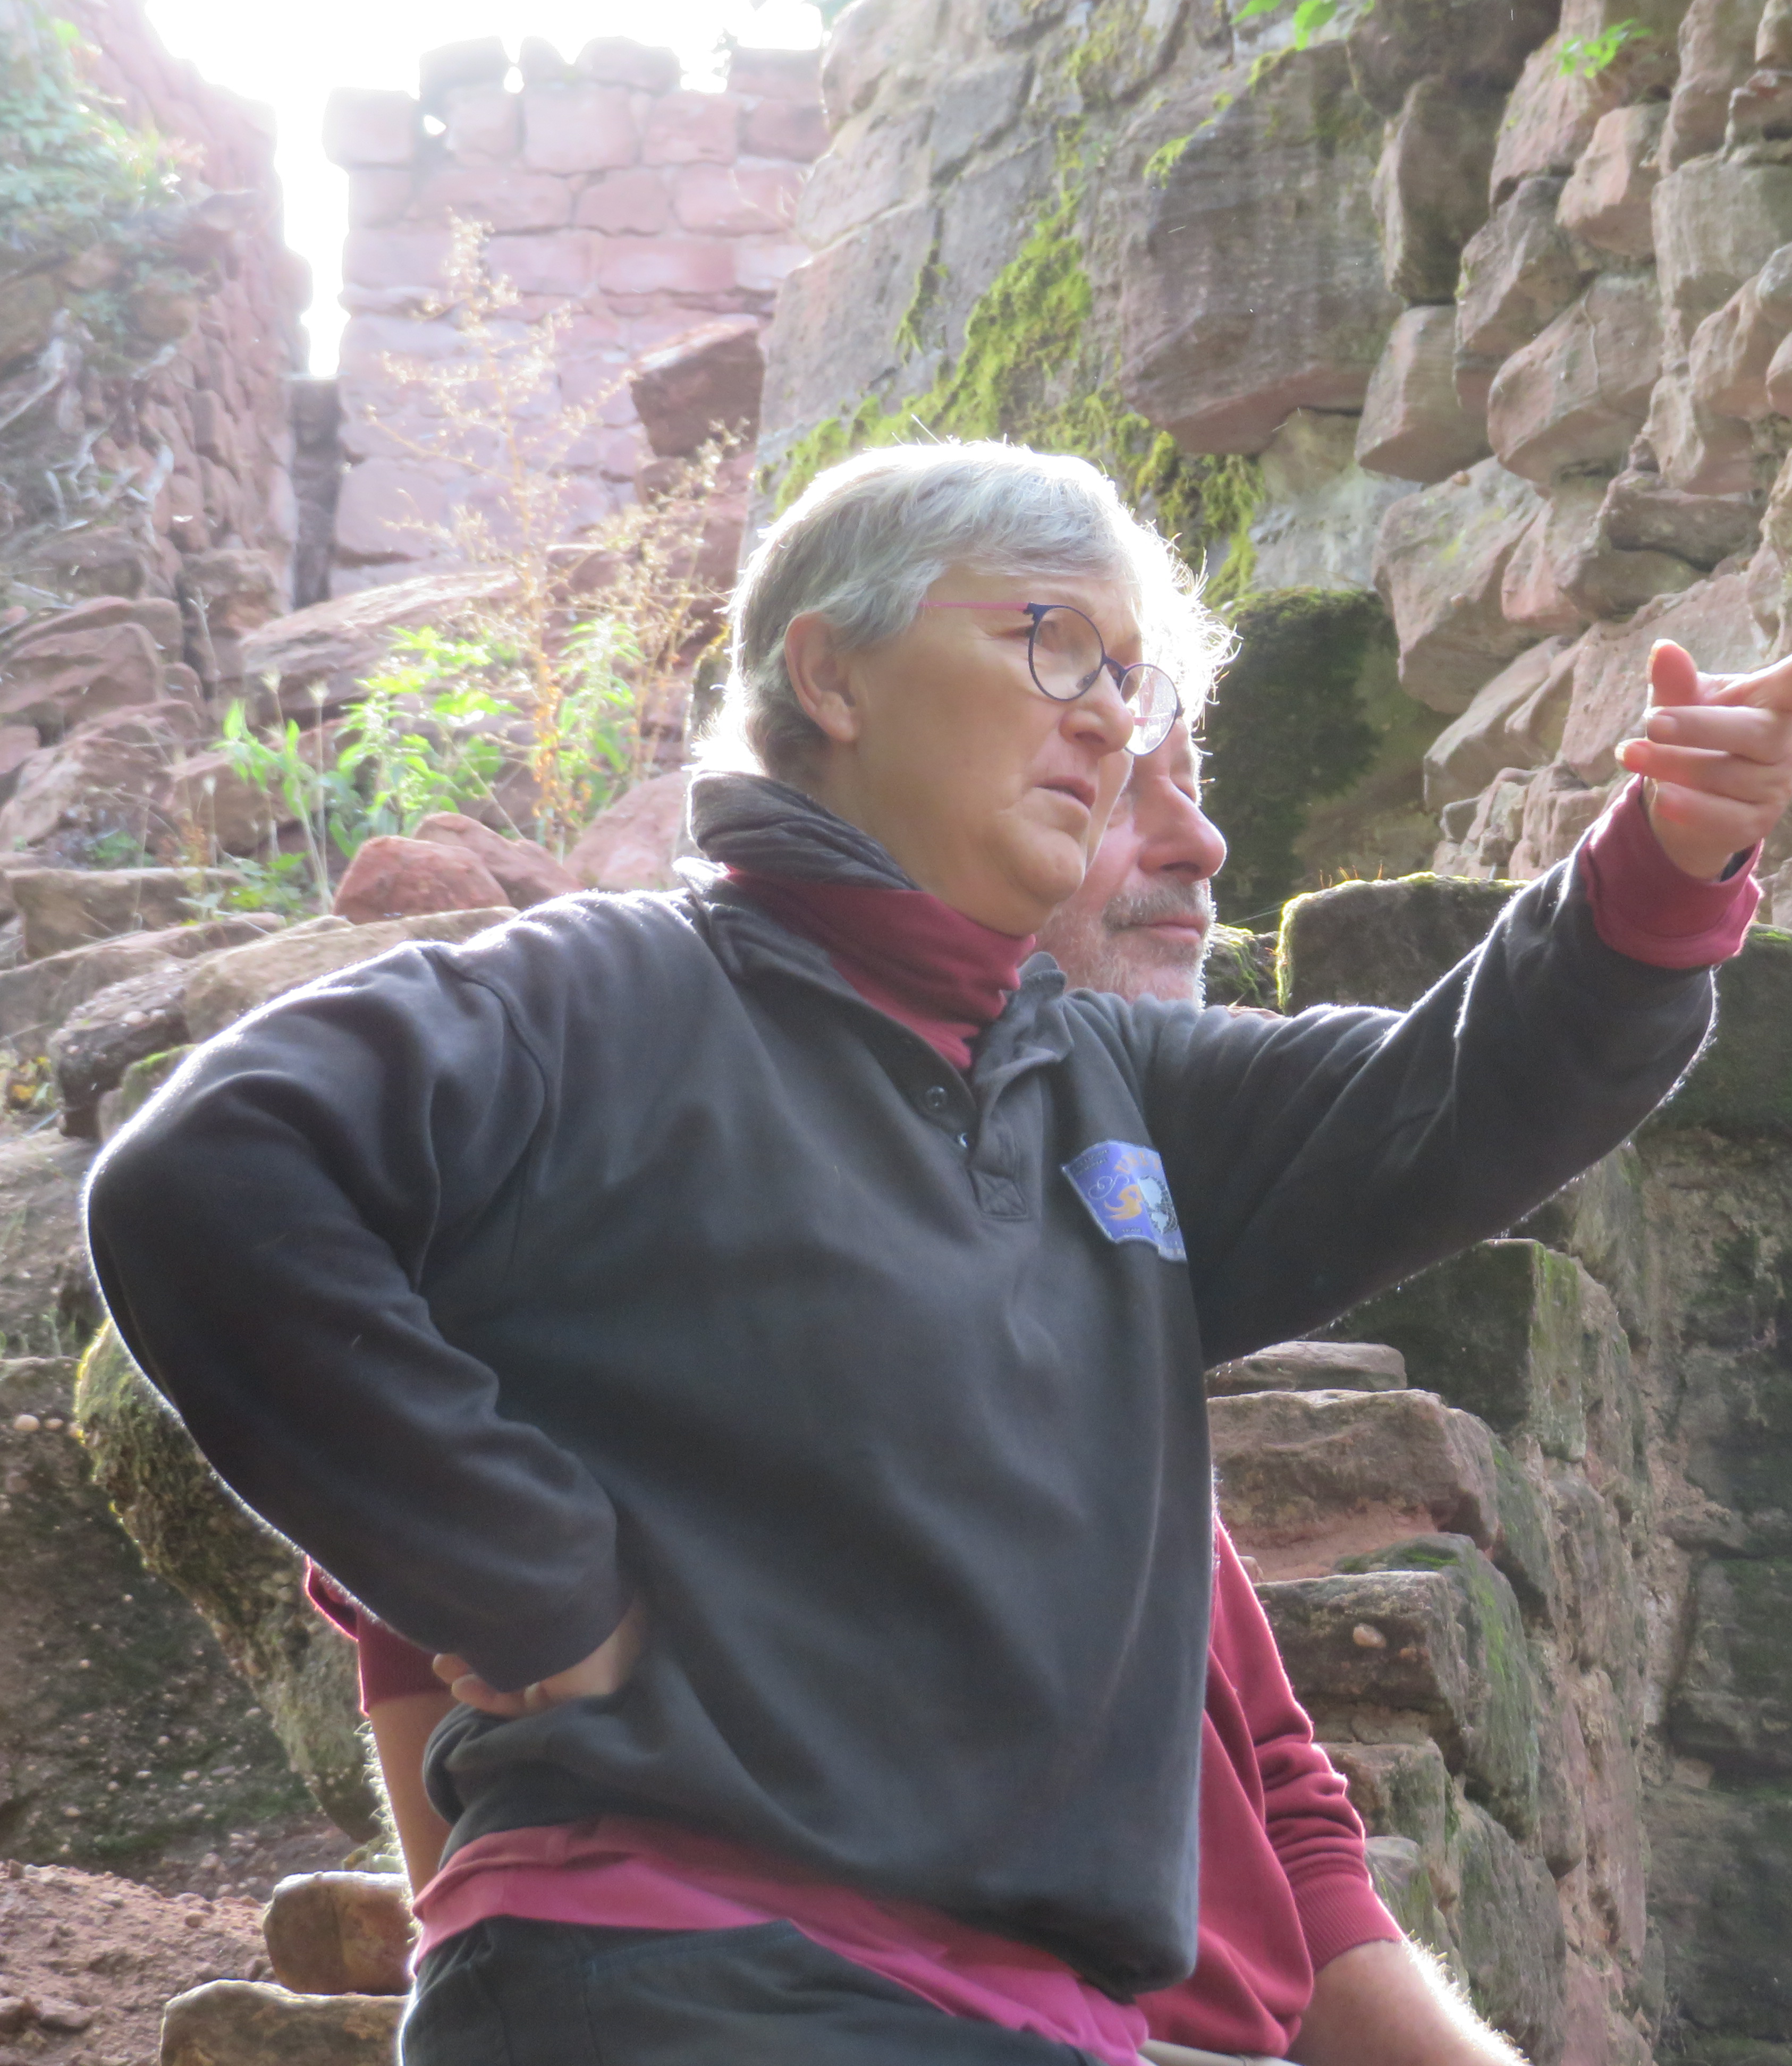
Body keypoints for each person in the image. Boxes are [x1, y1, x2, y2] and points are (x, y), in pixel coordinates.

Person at [86, 441, 1792, 2065]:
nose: (1107, 719)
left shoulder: (1105, 1082)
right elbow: (206, 1176)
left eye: (1128, 673)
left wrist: (1662, 863)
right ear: (831, 674)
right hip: (680, 1991)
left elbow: (1453, 1092)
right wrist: (518, 1570)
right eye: (1051, 642)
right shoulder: (600, 995)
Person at [317, 727, 1519, 2065]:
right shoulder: (614, 1305)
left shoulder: (1093, 1361)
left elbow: (1297, 1844)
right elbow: (489, 1899)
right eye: (1115, 788)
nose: (1199, 844)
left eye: (1193, 786)